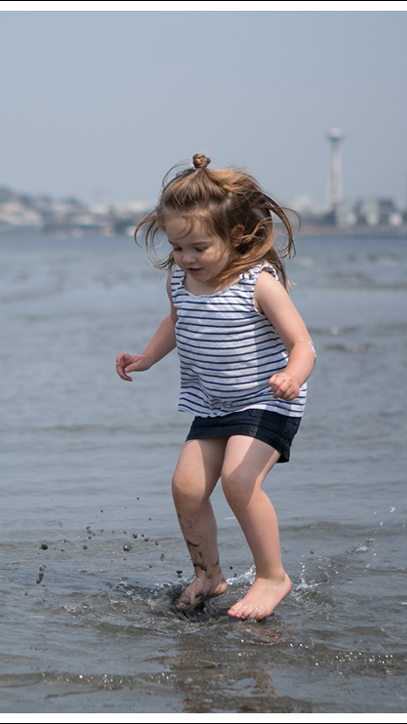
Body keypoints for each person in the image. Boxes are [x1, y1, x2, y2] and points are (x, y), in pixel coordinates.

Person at [115, 154, 315, 621]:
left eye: (198, 248)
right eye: (177, 247)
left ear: (236, 235)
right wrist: (146, 358)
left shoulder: (258, 283)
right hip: (212, 402)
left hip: (268, 400)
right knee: (185, 487)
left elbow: (302, 343)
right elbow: (176, 321)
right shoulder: (181, 281)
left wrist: (293, 375)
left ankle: (271, 576)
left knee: (238, 481)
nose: (186, 258)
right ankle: (209, 574)